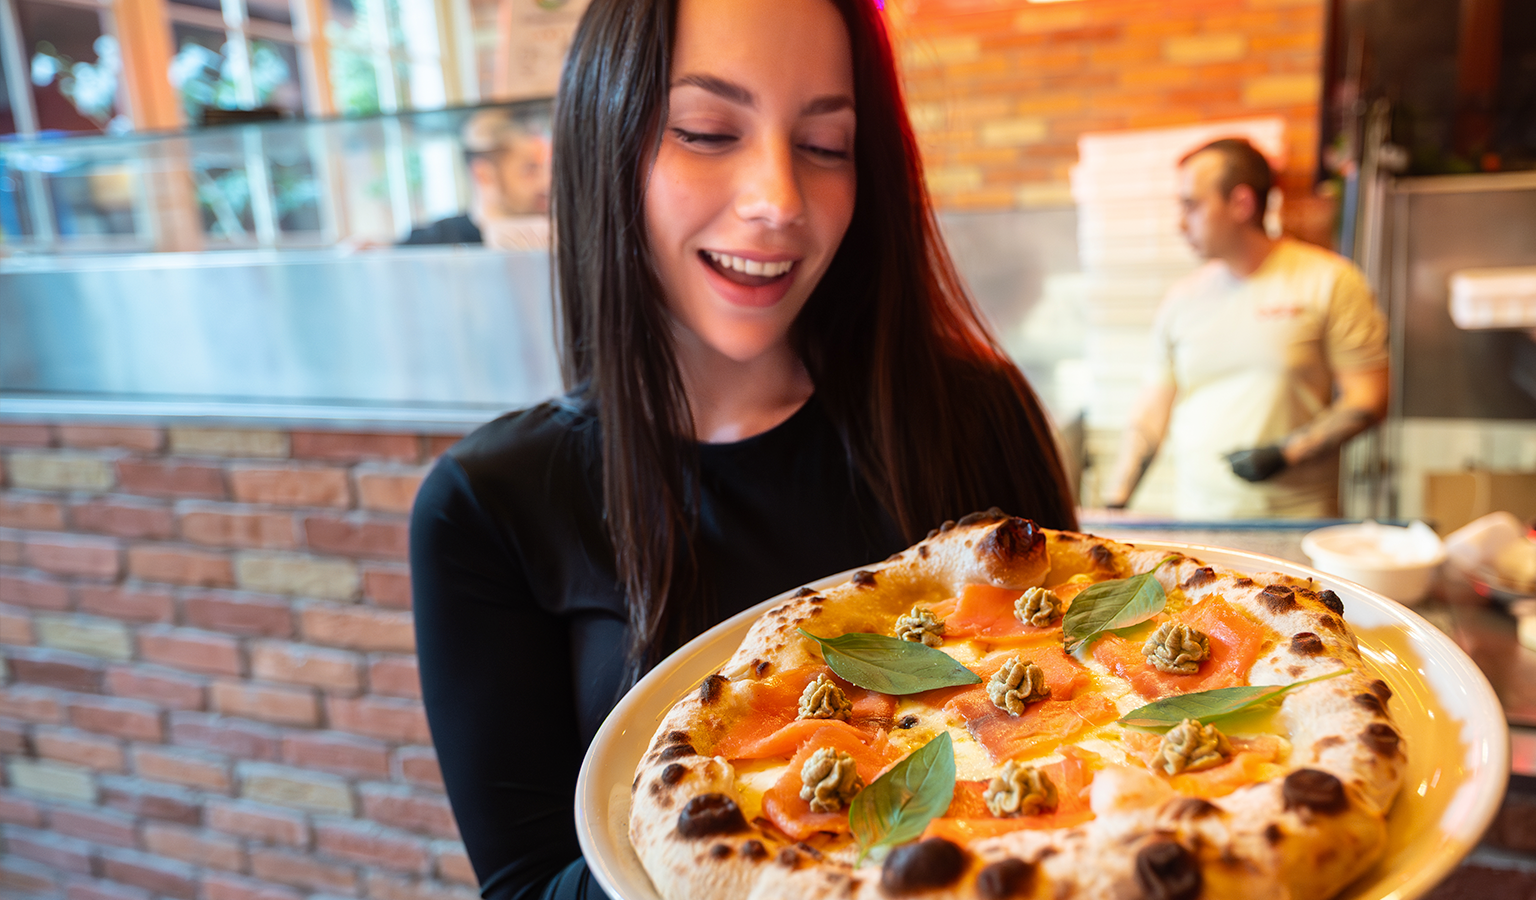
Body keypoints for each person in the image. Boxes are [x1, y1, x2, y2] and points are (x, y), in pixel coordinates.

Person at [406, 1, 1078, 898]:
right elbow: (528, 886)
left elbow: (1107, 706)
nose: (779, 201)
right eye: (707, 130)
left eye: (827, 145)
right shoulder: (489, 503)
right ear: (606, 143)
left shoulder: (976, 411)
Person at [1101, 138, 1389, 519]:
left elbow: (1369, 397)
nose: (1180, 222)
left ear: (1241, 204)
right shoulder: (1182, 299)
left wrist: (1286, 453)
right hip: (1198, 516)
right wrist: (1115, 501)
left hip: (1295, 518)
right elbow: (1154, 407)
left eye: (1192, 205)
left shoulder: (1329, 280)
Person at [402, 109, 553, 246]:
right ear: (484, 175)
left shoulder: (553, 239)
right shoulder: (430, 245)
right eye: (529, 170)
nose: (546, 182)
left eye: (547, 169)